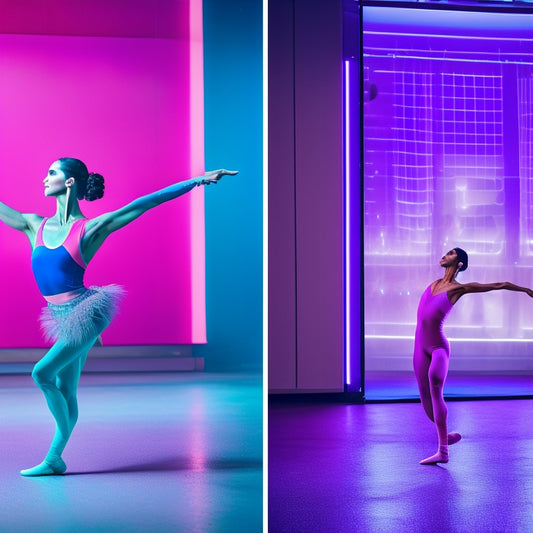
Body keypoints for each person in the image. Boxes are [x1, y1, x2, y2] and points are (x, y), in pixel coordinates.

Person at [0, 157, 237, 476]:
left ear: (69, 182)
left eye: (52, 173)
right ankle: (56, 459)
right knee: (66, 389)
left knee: (42, 374)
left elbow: (144, 204)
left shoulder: (90, 228)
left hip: (85, 313)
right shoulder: (33, 224)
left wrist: (195, 181)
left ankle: (54, 455)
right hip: (59, 315)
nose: (44, 178)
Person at [414, 247, 533, 465]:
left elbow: (499, 284)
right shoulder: (432, 285)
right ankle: (446, 437)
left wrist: (524, 289)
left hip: (438, 347)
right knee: (428, 408)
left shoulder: (458, 289)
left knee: (435, 386)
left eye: (450, 253)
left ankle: (443, 452)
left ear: (459, 263)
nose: (444, 255)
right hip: (419, 348)